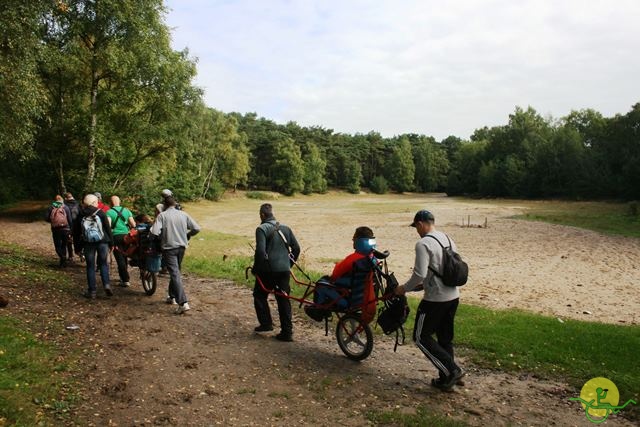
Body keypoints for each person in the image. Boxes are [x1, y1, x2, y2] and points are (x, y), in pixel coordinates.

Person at [395, 209, 465, 391]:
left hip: (435, 300)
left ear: (420, 223)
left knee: (420, 337)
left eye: (416, 227)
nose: (416, 231)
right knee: (444, 338)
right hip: (453, 296)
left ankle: (452, 370)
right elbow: (446, 268)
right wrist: (424, 284)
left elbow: (419, 274)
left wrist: (403, 289)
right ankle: (446, 379)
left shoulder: (423, 244)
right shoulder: (447, 238)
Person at [252, 203, 300, 342]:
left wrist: (256, 268)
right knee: (283, 299)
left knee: (259, 295)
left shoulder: (261, 229)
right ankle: (287, 332)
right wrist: (288, 264)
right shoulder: (285, 228)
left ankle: (266, 324)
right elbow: (296, 248)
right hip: (284, 271)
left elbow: (260, 252)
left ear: (262, 215)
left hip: (267, 271)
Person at [315, 226, 378, 321]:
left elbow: (335, 276)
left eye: (354, 238)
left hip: (349, 299)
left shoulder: (352, 259)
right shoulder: (374, 259)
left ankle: (319, 311)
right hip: (364, 297)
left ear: (358, 241)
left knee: (321, 285)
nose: (352, 240)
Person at [150, 196, 200, 314]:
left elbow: (154, 232)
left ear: (164, 205)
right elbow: (197, 228)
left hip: (169, 248)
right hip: (182, 248)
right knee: (176, 272)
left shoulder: (162, 216)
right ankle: (172, 297)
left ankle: (183, 303)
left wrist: (152, 238)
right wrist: (188, 235)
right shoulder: (183, 214)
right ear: (175, 204)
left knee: (175, 273)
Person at [75, 194, 113, 299]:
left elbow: (76, 232)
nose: (97, 204)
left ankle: (92, 291)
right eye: (96, 202)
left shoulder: (80, 214)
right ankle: (106, 285)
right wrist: (111, 243)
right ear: (93, 203)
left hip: (88, 243)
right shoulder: (100, 213)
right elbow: (107, 229)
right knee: (104, 264)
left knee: (90, 266)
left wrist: (77, 248)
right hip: (103, 241)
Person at [106, 195, 136, 287]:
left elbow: (108, 226)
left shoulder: (109, 212)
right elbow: (133, 224)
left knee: (120, 258)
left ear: (111, 203)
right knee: (124, 256)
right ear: (119, 202)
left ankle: (125, 279)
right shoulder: (126, 210)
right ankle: (123, 277)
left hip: (116, 236)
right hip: (127, 237)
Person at [45, 195, 73, 267]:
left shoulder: (51, 207)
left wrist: (53, 221)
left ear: (55, 200)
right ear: (62, 200)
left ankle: (62, 258)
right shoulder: (65, 207)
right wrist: (71, 229)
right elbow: (69, 219)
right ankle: (63, 261)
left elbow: (46, 218)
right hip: (66, 229)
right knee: (64, 245)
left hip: (56, 229)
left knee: (57, 246)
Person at [64, 192, 81, 262]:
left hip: (68, 225)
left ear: (65, 198)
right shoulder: (78, 204)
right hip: (77, 226)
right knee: (77, 240)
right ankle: (80, 253)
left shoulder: (64, 205)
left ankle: (71, 256)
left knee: (68, 241)